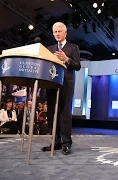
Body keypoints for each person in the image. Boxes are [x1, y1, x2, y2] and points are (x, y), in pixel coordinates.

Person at [42, 22, 81, 155]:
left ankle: (66, 143)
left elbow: (77, 66)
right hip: (51, 84)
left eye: (59, 31)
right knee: (52, 113)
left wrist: (67, 59)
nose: (57, 34)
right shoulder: (49, 48)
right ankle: (56, 142)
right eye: (55, 32)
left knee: (64, 114)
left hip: (66, 84)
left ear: (65, 33)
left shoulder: (73, 47)